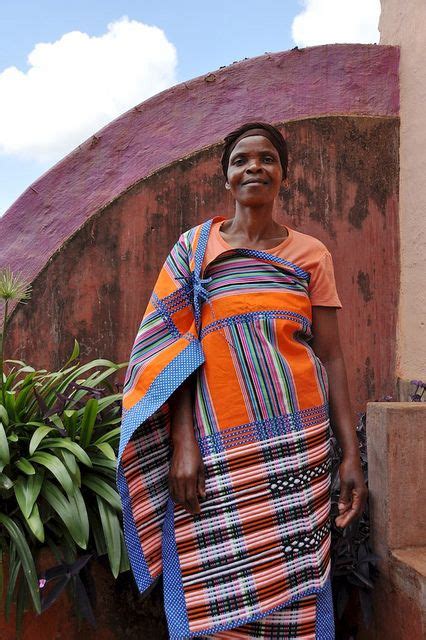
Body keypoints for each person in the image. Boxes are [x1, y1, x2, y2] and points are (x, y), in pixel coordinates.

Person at [117, 122, 367, 640]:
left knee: (295, 582)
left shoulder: (312, 255)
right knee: (213, 580)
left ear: (283, 175)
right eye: (241, 160)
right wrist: (183, 443)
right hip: (217, 451)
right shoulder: (193, 250)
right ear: (226, 177)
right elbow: (171, 354)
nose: (254, 167)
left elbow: (333, 357)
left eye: (267, 159)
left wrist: (349, 454)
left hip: (299, 448)